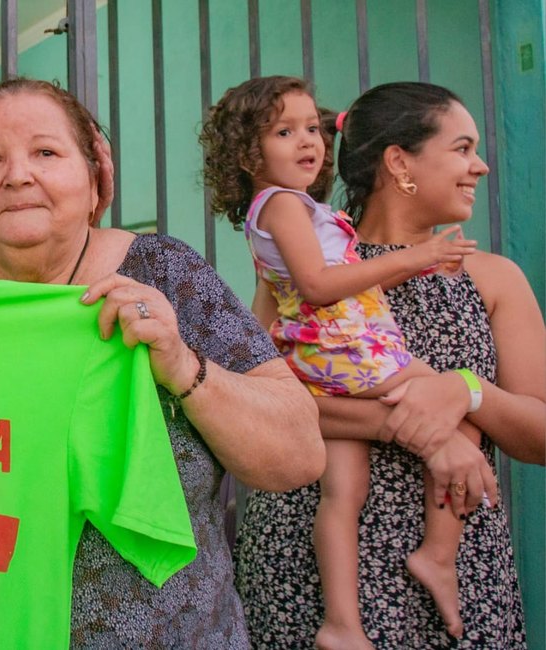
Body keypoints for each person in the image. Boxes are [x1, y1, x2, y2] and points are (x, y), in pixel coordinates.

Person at [0, 77, 325, 648]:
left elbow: (299, 455)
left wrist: (182, 365)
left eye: (46, 152)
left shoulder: (165, 274)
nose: (17, 175)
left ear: (95, 173)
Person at [234, 81, 546, 649]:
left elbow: (541, 437)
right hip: (307, 567)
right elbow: (260, 404)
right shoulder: (304, 271)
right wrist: (426, 434)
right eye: (462, 147)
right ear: (400, 162)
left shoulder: (494, 279)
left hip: (456, 577)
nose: (480, 167)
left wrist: (466, 391)